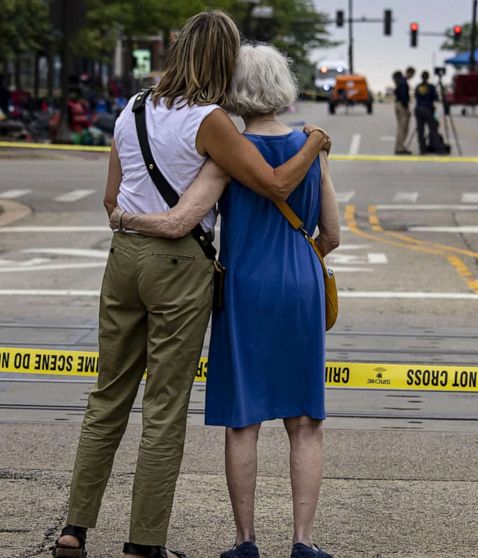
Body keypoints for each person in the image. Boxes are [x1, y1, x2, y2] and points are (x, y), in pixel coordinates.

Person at [52, 11, 333, 558]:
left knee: (108, 395)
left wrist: (128, 222)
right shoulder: (212, 122)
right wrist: (315, 140)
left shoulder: (130, 109)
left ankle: (74, 528)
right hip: (179, 264)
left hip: (124, 259)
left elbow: (112, 199)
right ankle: (142, 542)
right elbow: (274, 181)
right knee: (164, 406)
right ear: (223, 62)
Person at [414, 71, 445, 155]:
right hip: (427, 109)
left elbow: (416, 97)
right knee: (433, 129)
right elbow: (435, 98)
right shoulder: (431, 87)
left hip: (418, 109)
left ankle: (422, 149)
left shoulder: (418, 87)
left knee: (420, 130)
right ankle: (438, 149)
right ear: (428, 77)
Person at [393, 67, 415, 154]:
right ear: (409, 73)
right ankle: (399, 148)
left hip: (398, 104)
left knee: (401, 127)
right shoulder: (403, 82)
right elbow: (403, 96)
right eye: (412, 75)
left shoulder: (400, 81)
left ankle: (400, 146)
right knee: (403, 128)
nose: (412, 77)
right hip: (402, 106)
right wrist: (406, 108)